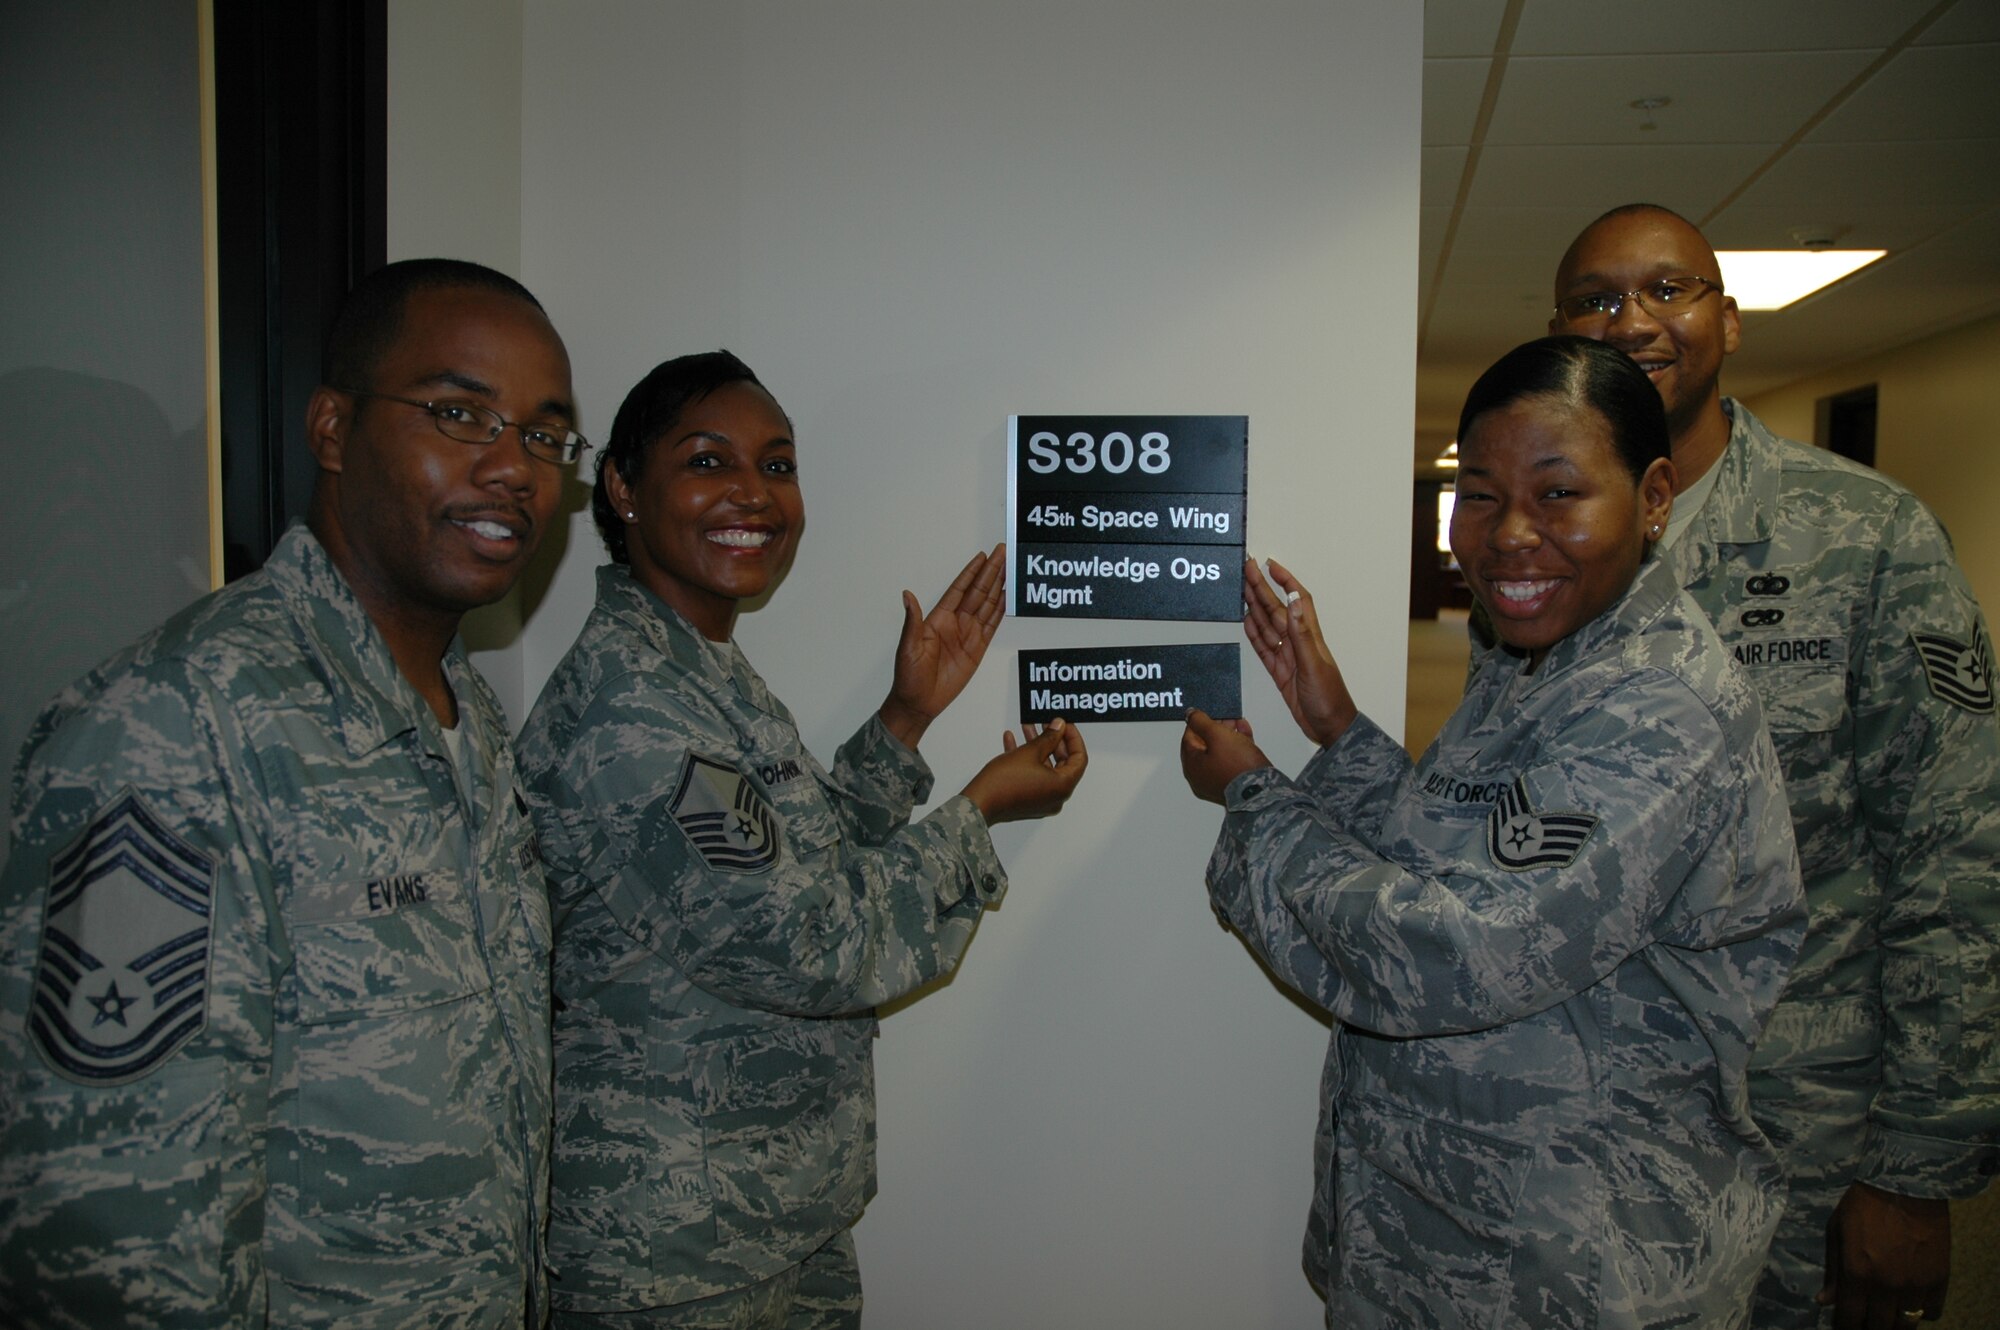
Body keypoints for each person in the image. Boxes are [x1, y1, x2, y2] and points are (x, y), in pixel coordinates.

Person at [1181, 336, 1805, 1329]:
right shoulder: (1535, 655)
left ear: (1651, 498)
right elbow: (1456, 857)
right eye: (1479, 494)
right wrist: (1336, 732)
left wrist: (1255, 799)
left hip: (1574, 1267)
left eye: (1557, 494)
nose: (1511, 533)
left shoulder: (1657, 704)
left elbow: (1454, 952)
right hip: (1444, 1238)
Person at [0, 259, 577, 1327]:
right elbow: (116, 1239)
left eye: (545, 435)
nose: (513, 468)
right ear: (329, 428)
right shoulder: (175, 727)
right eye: (461, 413)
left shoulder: (467, 718)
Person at [515, 350, 1087, 1328]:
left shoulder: (703, 672)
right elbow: (814, 946)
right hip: (675, 1250)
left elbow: (797, 864)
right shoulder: (634, 708)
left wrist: (903, 720)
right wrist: (978, 810)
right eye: (707, 462)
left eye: (777, 466)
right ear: (621, 487)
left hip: (772, 1214)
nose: (753, 494)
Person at [1550, 203, 2000, 1329]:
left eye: (1667, 290)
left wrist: (1915, 1163)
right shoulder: (1546, 540)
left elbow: (1959, 856)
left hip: (1790, 1132)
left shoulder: (1864, 537)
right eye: (1597, 298)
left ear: (1727, 319)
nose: (1633, 321)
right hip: (1578, 1127)